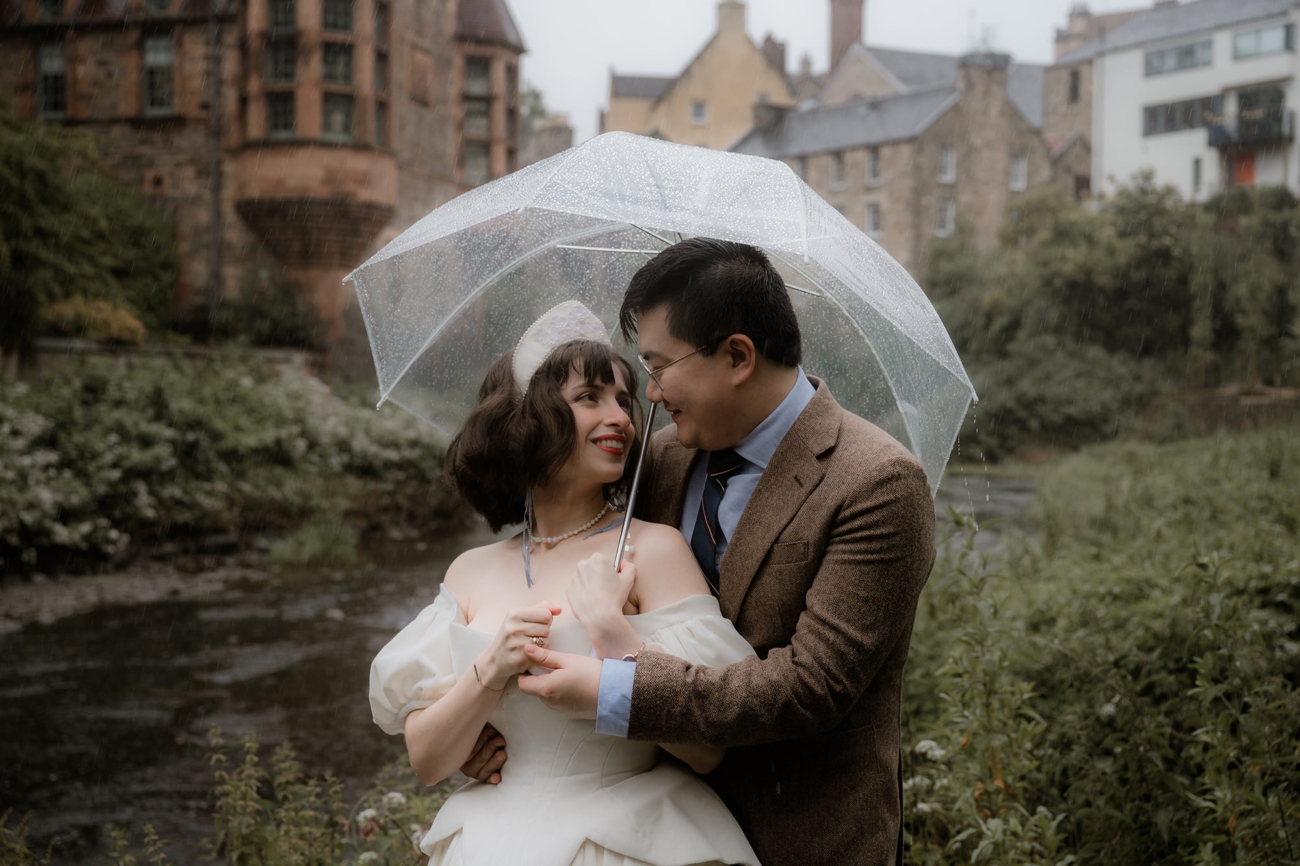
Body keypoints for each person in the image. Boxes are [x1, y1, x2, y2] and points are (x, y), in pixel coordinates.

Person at [507, 240, 937, 866]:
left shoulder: (877, 483)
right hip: (658, 835)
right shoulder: (659, 458)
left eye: (659, 366)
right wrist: (505, 739)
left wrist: (615, 689)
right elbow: (560, 547)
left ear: (737, 356)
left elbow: (811, 687)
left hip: (802, 836)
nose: (651, 395)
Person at [368, 301, 762, 866]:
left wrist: (611, 632)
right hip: (487, 844)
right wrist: (489, 671)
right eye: (589, 398)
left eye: (623, 399)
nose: (621, 417)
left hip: (623, 842)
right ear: (530, 420)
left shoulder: (653, 551)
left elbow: (707, 750)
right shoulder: (469, 571)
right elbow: (428, 763)